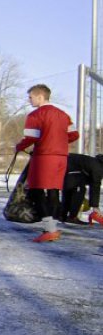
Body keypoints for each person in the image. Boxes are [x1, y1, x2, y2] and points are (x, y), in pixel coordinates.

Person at [14, 84, 79, 242]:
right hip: (61, 156)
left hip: (44, 156)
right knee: (54, 190)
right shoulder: (63, 114)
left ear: (40, 97)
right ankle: (52, 227)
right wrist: (60, 141)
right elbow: (74, 134)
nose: (29, 100)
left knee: (36, 190)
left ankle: (50, 229)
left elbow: (32, 137)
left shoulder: (35, 115)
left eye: (31, 97)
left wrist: (19, 146)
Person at [59, 153, 103, 225]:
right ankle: (72, 217)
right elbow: (95, 186)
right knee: (79, 191)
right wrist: (95, 206)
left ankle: (63, 216)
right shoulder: (98, 167)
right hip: (71, 169)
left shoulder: (96, 162)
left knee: (70, 190)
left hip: (65, 166)